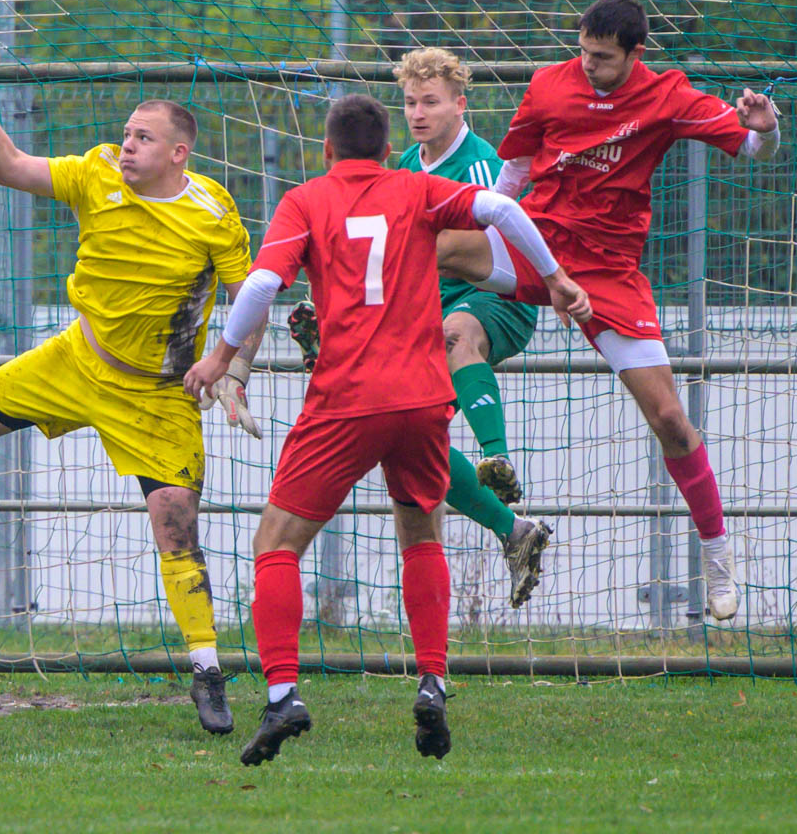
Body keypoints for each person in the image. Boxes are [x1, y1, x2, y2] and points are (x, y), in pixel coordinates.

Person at [0, 46, 265, 735]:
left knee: (175, 528)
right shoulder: (95, 171)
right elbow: (9, 167)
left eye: (143, 138)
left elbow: (247, 299)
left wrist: (234, 368)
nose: (126, 145)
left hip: (157, 394)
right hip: (78, 359)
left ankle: (206, 672)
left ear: (179, 153)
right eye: (127, 133)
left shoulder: (213, 212)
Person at [186, 94, 590, 765]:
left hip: (346, 398)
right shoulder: (417, 189)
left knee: (275, 543)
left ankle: (283, 695)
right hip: (421, 398)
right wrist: (555, 277)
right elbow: (500, 210)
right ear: (386, 150)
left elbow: (259, 287)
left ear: (326, 150)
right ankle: (431, 682)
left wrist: (222, 357)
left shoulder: (306, 201)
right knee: (420, 530)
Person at [435, 0, 782, 622]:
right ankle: (351, 326)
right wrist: (484, 222)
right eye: (583, 52)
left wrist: (767, 126)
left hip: (608, 272)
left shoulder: (667, 96)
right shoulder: (550, 85)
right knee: (433, 241)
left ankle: (717, 554)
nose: (587, 65)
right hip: (538, 245)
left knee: (670, 419)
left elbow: (757, 149)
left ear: (634, 54)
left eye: (601, 57)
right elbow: (514, 173)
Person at [286, 48, 553, 608]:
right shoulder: (405, 164)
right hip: (424, 316)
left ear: (460, 105)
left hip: (490, 300)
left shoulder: (480, 166)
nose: (418, 113)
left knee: (456, 334)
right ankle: (514, 530)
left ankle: (498, 458)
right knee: (409, 438)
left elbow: (483, 248)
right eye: (410, 103)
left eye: (430, 102)